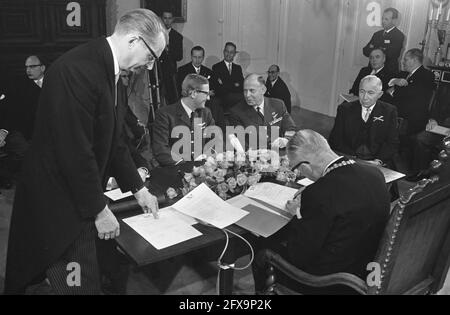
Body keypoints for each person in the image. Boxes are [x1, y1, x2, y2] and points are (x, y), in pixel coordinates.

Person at [5, 9, 166, 295]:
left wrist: (138, 188)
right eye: (151, 56)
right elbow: (74, 150)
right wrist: (99, 209)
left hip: (76, 192)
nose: (150, 66)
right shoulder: (79, 69)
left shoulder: (109, 70)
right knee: (77, 282)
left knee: (85, 277)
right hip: (60, 200)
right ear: (134, 40)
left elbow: (113, 142)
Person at [252, 130, 390, 294]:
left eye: (297, 169)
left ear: (305, 166)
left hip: (330, 282)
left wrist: (297, 213)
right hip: (369, 267)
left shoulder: (319, 192)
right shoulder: (374, 173)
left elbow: (299, 255)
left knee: (262, 244)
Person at [329, 75, 399, 166]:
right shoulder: (345, 109)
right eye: (362, 92)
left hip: (377, 162)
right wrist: (352, 158)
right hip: (350, 159)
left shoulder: (389, 111)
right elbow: (335, 139)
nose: (365, 97)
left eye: (370, 93)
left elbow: (392, 143)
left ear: (380, 94)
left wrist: (378, 161)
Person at [387, 49, 435, 174]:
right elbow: (389, 87)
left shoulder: (426, 75)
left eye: (406, 59)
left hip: (414, 119)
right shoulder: (403, 74)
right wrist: (395, 82)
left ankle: (404, 170)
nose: (403, 62)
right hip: (400, 115)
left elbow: (412, 95)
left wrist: (395, 89)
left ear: (414, 60)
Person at [152, 74, 217, 166]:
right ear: (193, 93)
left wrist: (208, 158)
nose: (208, 98)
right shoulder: (165, 114)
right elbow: (161, 150)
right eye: (206, 94)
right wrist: (187, 166)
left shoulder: (206, 113)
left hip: (203, 169)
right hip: (176, 170)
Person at [0, 55, 46, 182]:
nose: (28, 70)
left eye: (32, 66)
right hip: (24, 131)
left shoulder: (54, 83)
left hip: (49, 129)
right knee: (26, 152)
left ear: (42, 68)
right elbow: (11, 111)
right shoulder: (20, 86)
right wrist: (4, 131)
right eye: (26, 67)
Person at [229, 74, 296, 150]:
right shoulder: (236, 112)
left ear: (263, 90)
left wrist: (286, 139)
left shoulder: (278, 105)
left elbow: (290, 128)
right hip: (253, 157)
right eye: (245, 91)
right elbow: (239, 141)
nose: (247, 95)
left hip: (279, 153)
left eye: (252, 90)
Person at [363, 8, 405, 73]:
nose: (383, 21)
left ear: (394, 21)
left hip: (388, 71)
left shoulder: (399, 36)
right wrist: (381, 49)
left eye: (386, 19)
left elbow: (391, 54)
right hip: (372, 70)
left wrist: (373, 48)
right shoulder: (377, 34)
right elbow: (365, 51)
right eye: (382, 18)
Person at [159, 9, 183, 104]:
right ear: (161, 19)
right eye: (165, 18)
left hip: (170, 71)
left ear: (172, 19)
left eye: (169, 18)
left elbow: (179, 57)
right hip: (158, 70)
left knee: (171, 97)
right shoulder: (156, 35)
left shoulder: (177, 36)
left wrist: (168, 49)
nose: (167, 21)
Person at [212, 42, 244, 112]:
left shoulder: (238, 68)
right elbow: (217, 87)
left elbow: (241, 85)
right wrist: (234, 85)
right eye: (227, 51)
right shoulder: (216, 67)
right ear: (224, 51)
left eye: (231, 52)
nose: (228, 54)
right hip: (222, 98)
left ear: (234, 54)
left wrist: (225, 84)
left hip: (236, 98)